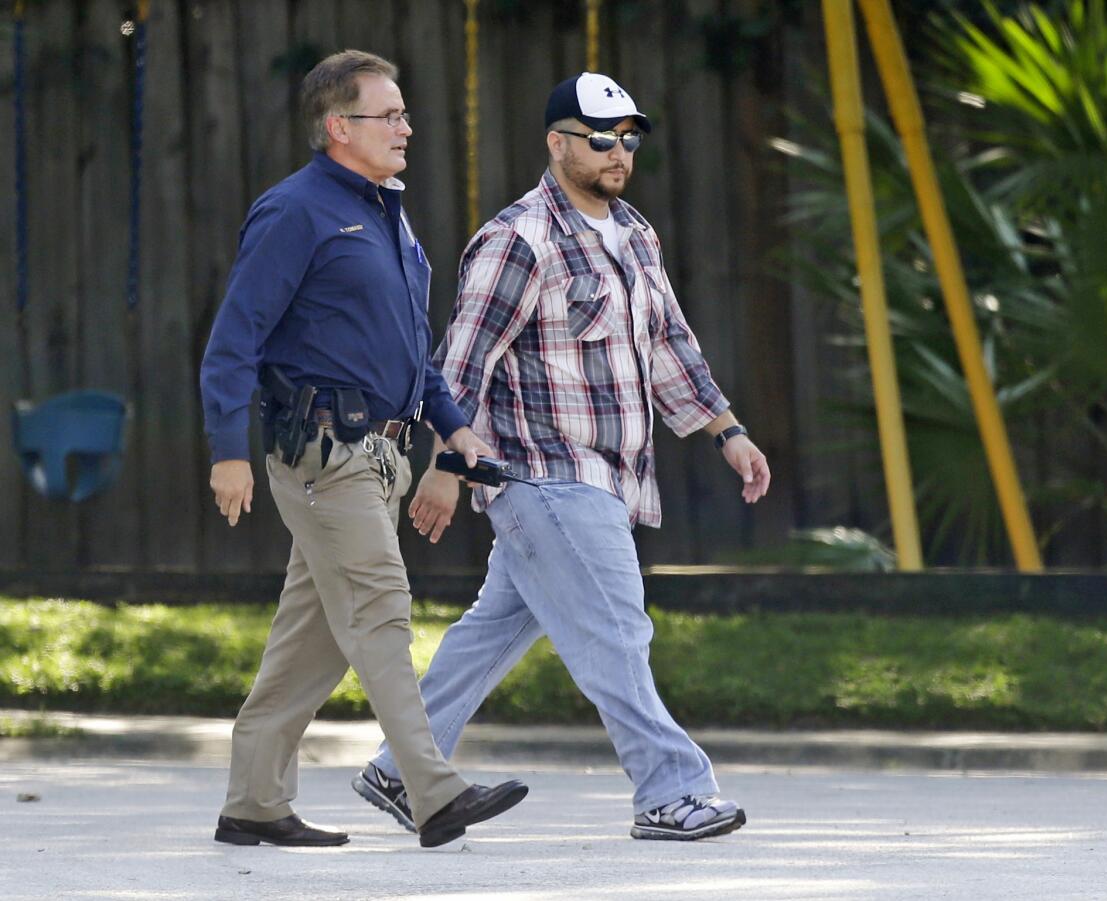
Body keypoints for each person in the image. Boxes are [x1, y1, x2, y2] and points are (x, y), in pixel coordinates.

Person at [352, 72, 770, 842]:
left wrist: (727, 431)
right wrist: (449, 464)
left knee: (496, 626)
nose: (619, 152)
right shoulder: (519, 239)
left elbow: (672, 345)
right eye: (600, 137)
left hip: (611, 478)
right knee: (617, 627)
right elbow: (461, 361)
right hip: (541, 474)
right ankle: (669, 791)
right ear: (557, 143)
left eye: (629, 137)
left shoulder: (636, 234)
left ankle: (400, 765)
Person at [199, 50, 527, 850]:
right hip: (318, 455)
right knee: (381, 605)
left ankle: (253, 801)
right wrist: (226, 449)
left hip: (382, 456)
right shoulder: (296, 211)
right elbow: (232, 340)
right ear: (338, 127)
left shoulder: (387, 211)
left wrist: (452, 426)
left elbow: (413, 352)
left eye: (406, 113)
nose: (407, 127)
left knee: (308, 642)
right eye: (390, 115)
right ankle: (432, 789)